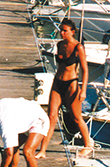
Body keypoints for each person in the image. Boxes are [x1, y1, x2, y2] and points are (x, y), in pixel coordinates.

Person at [35, 18, 92, 159]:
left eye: (65, 31)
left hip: (71, 84)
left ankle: (88, 145)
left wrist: (83, 90)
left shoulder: (78, 47)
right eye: (61, 30)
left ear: (72, 32)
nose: (62, 33)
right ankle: (42, 150)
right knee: (51, 117)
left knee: (76, 117)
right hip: (57, 83)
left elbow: (85, 70)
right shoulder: (59, 45)